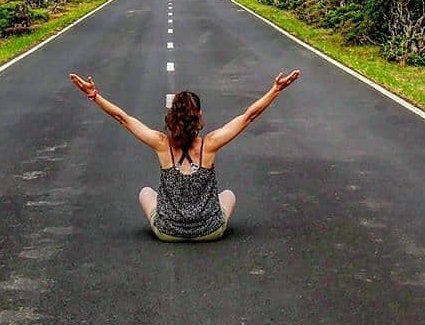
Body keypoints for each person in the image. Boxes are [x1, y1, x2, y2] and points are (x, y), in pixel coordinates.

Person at [68, 70, 301, 241]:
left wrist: (94, 95)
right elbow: (249, 115)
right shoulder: (210, 144)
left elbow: (123, 118)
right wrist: (275, 90)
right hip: (210, 232)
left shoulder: (162, 145)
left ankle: (171, 220)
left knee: (146, 192)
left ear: (171, 116)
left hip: (167, 232)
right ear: (198, 115)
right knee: (228, 194)